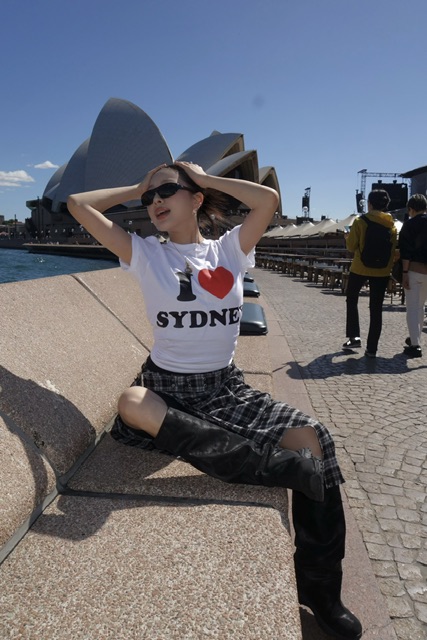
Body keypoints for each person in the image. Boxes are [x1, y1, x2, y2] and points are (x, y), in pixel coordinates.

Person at [68, 162, 362, 639]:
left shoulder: (229, 250)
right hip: (168, 390)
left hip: (225, 389)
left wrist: (204, 178)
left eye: (167, 190)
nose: (155, 201)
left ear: (196, 198)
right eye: (149, 197)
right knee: (132, 401)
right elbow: (77, 205)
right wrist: (139, 185)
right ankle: (275, 468)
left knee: (315, 438)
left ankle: (320, 586)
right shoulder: (146, 253)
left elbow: (267, 200)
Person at [343, 189, 398, 358]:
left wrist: (347, 237)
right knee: (376, 309)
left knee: (352, 298)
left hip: (360, 267)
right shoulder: (391, 225)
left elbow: (351, 247)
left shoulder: (360, 221)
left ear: (370, 204)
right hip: (382, 271)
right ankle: (372, 349)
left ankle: (354, 337)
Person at [398, 193, 427, 358]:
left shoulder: (409, 225)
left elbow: (406, 252)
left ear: (411, 209)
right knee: (421, 306)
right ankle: (416, 338)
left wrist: (404, 273)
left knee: (412, 308)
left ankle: (415, 345)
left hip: (414, 270)